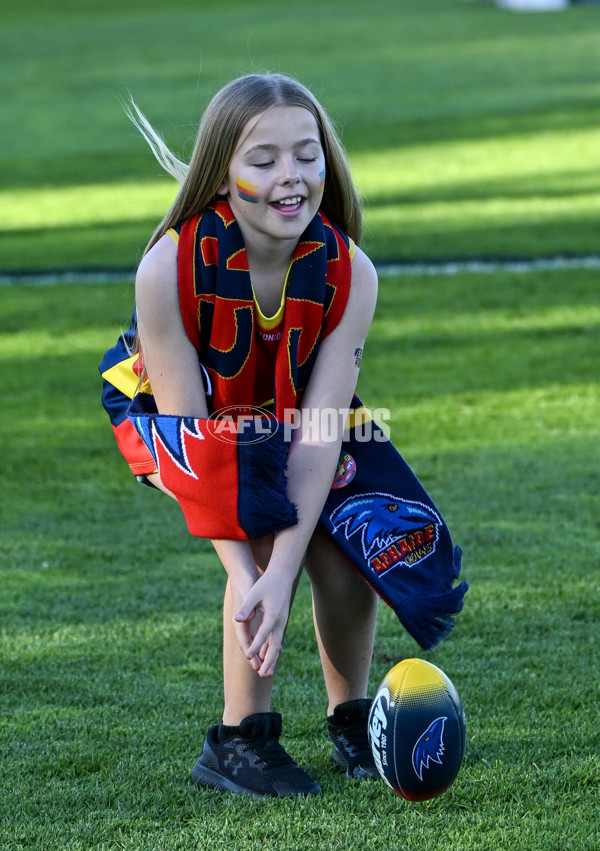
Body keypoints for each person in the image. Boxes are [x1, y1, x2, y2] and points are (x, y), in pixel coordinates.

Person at [102, 73, 382, 797]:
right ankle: (236, 741)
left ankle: (354, 719)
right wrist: (255, 573)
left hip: (290, 413)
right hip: (177, 424)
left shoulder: (351, 272)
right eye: (263, 160)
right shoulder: (168, 266)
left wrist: (295, 568)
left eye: (307, 154)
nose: (291, 176)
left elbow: (321, 431)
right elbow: (194, 442)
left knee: (348, 539)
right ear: (221, 170)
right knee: (258, 526)